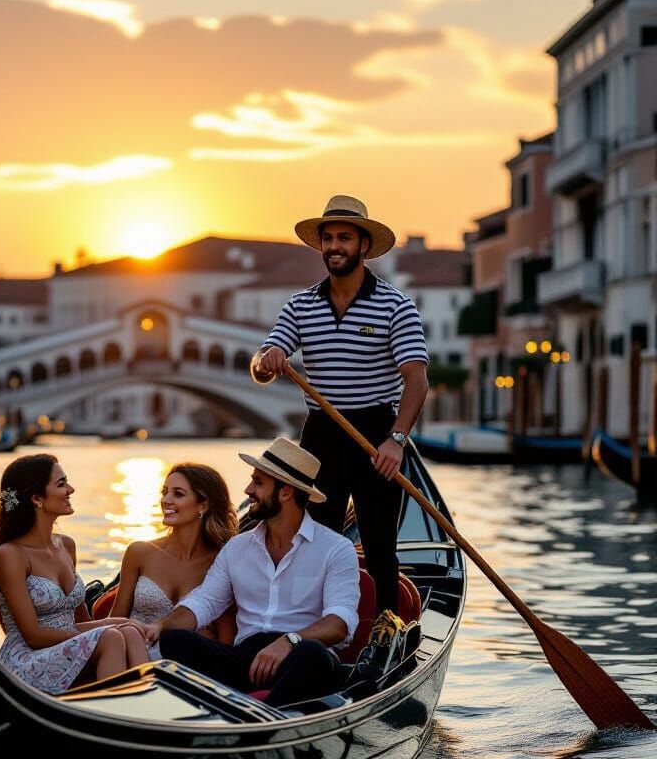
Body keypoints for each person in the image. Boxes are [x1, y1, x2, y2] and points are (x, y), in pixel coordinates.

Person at [255, 194, 429, 614]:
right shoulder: (300, 305)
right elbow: (262, 361)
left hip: (375, 434)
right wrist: (267, 361)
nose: (335, 246)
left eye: (344, 238)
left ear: (364, 246)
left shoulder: (395, 305)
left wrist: (396, 440)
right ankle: (314, 627)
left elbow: (417, 382)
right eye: (328, 238)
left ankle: (385, 626)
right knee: (314, 538)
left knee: (380, 545)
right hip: (321, 435)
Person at [142, 438, 361, 708]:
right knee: (175, 640)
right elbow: (205, 601)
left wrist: (289, 641)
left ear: (285, 493)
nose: (247, 490)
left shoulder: (335, 549)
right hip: (245, 661)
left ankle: (261, 717)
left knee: (312, 653)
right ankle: (247, 711)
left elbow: (339, 623)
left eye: (258, 482)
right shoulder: (237, 547)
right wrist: (161, 626)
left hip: (301, 658)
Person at [0, 453, 147, 694]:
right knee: (111, 637)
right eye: (61, 484)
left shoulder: (67, 546)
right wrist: (106, 628)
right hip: (28, 658)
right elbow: (33, 636)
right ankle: (113, 716)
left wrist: (117, 622)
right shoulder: (11, 554)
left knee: (130, 631)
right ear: (36, 498)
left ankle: (148, 710)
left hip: (70, 645)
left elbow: (79, 622)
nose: (71, 489)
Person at [110, 463, 238, 660]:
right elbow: (115, 621)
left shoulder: (223, 562)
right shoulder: (140, 552)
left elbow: (225, 642)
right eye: (165, 492)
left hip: (189, 670)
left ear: (203, 505)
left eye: (178, 494)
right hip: (132, 658)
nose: (165, 500)